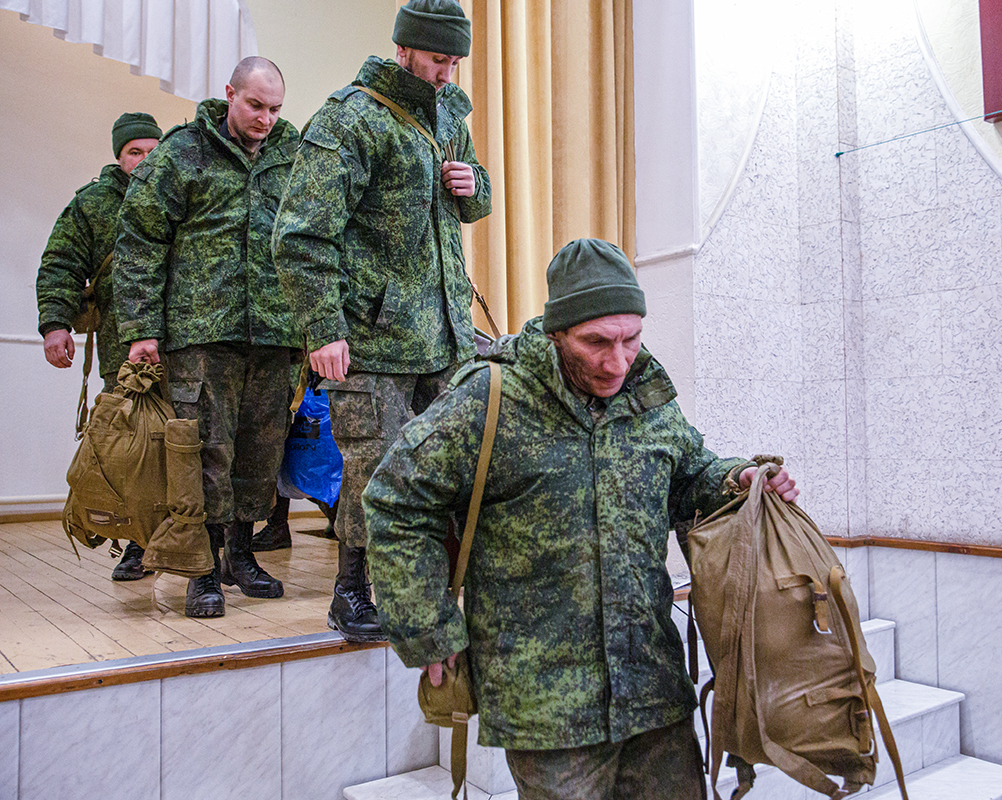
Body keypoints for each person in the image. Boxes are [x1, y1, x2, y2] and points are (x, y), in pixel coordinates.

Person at [362, 239, 799, 800]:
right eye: (597, 343)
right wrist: (427, 624)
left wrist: (737, 478)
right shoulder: (490, 398)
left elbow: (690, 473)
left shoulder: (647, 394)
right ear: (556, 332)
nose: (618, 362)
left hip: (652, 687)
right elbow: (397, 500)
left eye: (631, 339)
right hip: (546, 706)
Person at [273, 0, 491, 641]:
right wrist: (324, 329)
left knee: (443, 469)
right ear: (404, 48)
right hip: (372, 338)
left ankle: (423, 593)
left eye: (455, 61)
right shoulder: (353, 119)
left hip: (445, 333)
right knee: (376, 467)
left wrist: (468, 184)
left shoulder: (450, 111)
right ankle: (350, 592)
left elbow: (476, 202)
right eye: (436, 60)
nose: (447, 73)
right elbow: (302, 236)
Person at [114, 57, 302, 618]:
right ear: (229, 95)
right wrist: (141, 329)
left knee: (261, 450)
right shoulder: (181, 154)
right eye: (255, 106)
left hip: (274, 335)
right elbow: (139, 240)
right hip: (201, 335)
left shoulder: (296, 159)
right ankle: (202, 568)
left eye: (275, 109)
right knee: (204, 453)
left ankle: (240, 556)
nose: (266, 119)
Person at [37, 111, 162, 582]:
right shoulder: (92, 205)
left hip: (187, 346)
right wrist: (55, 325)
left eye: (154, 150)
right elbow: (61, 263)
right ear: (118, 155)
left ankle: (202, 547)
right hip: (122, 349)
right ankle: (136, 542)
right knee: (128, 451)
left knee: (192, 447)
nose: (146, 160)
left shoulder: (180, 194)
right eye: (136, 152)